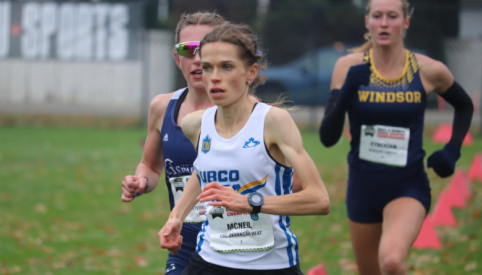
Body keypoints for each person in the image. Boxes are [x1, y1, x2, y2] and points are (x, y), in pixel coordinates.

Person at [157, 23, 330, 275]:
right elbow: (203, 171)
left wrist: (250, 202)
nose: (214, 77)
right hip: (209, 260)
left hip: (271, 265)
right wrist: (176, 217)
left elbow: (319, 199)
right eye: (207, 67)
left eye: (226, 67)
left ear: (251, 72)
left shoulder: (273, 122)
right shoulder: (194, 124)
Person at [319, 0, 474, 274]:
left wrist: (453, 149)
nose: (384, 22)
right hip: (362, 187)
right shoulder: (347, 67)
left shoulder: (428, 70)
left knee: (391, 261)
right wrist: (345, 94)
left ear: (405, 22)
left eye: (392, 16)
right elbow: (327, 138)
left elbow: (464, 105)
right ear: (368, 22)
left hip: (407, 186)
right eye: (377, 16)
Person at [120, 12, 226, 275]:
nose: (198, 58)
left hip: (236, 247)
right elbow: (151, 165)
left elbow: (289, 182)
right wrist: (141, 182)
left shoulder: (249, 112)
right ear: (177, 58)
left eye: (206, 49)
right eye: (187, 50)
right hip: (183, 247)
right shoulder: (162, 107)